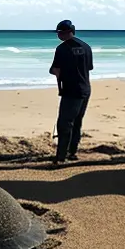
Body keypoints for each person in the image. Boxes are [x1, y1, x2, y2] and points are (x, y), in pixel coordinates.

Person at [49, 20, 94, 165]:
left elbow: (56, 69)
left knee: (65, 123)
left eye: (60, 33)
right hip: (85, 88)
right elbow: (89, 68)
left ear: (66, 32)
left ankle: (61, 156)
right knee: (77, 122)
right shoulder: (86, 47)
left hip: (71, 90)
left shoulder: (62, 49)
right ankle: (72, 151)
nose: (59, 35)